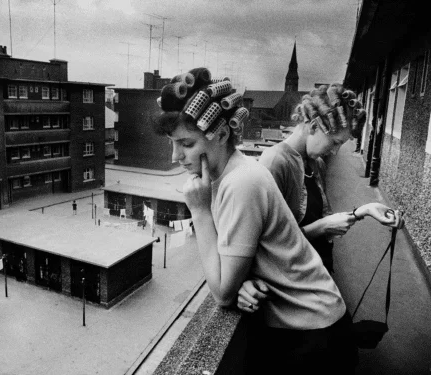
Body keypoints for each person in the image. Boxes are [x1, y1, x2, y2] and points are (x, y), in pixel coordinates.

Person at [152, 68, 383, 374]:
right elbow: (243, 253)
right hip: (309, 327)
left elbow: (222, 294)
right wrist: (242, 277)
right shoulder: (231, 176)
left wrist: (200, 212)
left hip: (313, 337)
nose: (174, 157)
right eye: (173, 144)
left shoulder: (241, 182)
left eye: (186, 144)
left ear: (221, 134)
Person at [237, 84, 404, 311]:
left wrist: (365, 210)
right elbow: (271, 245)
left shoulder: (317, 163)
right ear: (314, 126)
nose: (335, 152)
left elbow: (311, 221)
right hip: (291, 294)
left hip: (315, 276)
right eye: (335, 142)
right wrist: (324, 226)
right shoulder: (275, 161)